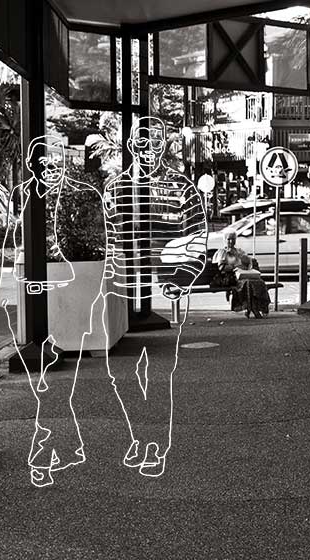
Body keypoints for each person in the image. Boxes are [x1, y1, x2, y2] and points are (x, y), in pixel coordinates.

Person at [98, 116, 208, 478]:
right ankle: (138, 437)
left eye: (157, 143)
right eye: (142, 143)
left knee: (160, 373)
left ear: (166, 145)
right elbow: (111, 240)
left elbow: (197, 237)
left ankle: (155, 445)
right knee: (123, 372)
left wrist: (179, 280)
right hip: (123, 287)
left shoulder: (181, 188)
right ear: (130, 144)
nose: (149, 150)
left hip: (164, 290)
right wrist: (110, 281)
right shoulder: (115, 188)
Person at [0, 135, 99, 488]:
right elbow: (12, 248)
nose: (50, 170)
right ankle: (48, 449)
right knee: (40, 390)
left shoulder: (79, 195)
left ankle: (59, 449)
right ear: (32, 166)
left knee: (62, 389)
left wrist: (49, 284)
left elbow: (83, 256)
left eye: (55, 163)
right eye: (43, 165)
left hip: (63, 297)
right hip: (33, 294)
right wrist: (12, 286)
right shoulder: (22, 196)